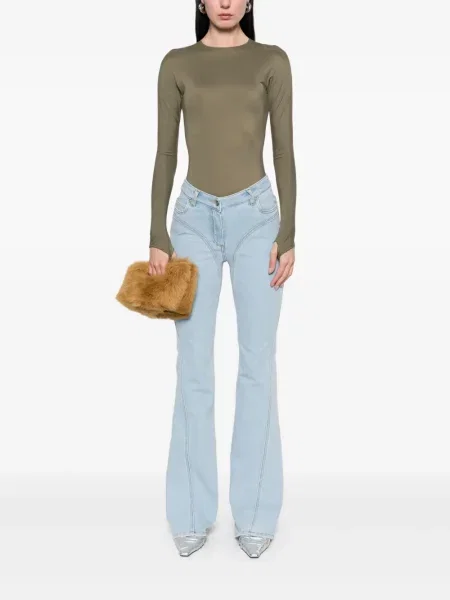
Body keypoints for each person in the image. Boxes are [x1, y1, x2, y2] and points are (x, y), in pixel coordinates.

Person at [148, 0, 296, 558]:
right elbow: (166, 150)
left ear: (251, 1)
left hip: (258, 218)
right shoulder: (177, 63)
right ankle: (191, 511)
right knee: (193, 366)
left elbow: (284, 149)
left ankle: (256, 514)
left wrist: (289, 231)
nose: (227, 1)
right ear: (200, 2)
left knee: (257, 363)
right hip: (191, 220)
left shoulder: (272, 61)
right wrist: (157, 232)